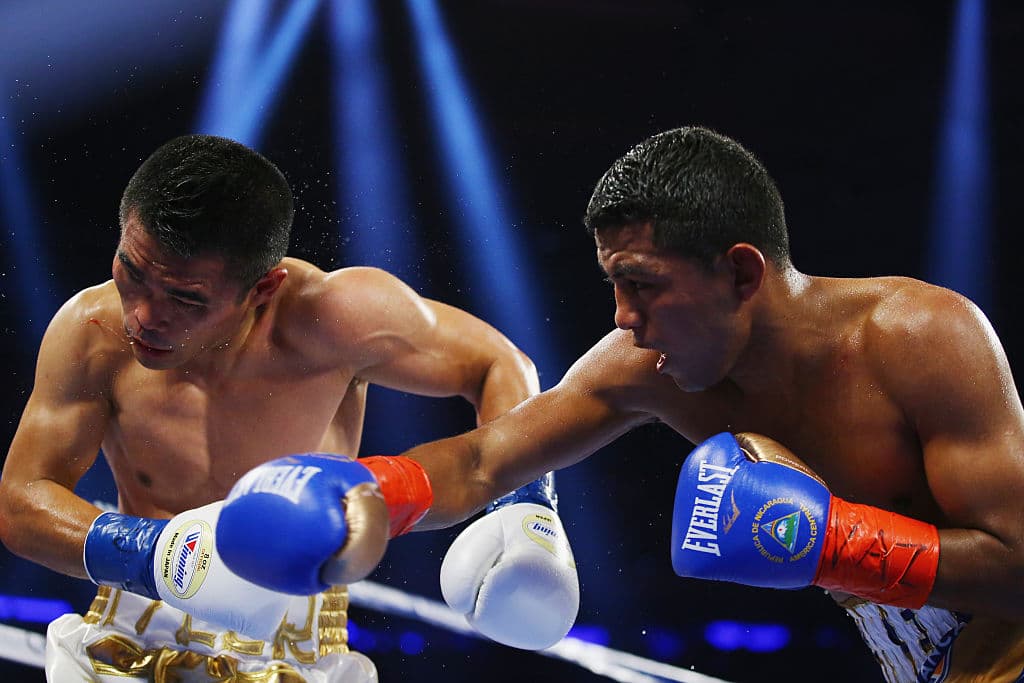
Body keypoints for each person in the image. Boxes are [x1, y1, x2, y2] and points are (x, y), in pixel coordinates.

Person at [232, 125, 1024, 681]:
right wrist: (365, 491)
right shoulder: (643, 365)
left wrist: (829, 544)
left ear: (741, 275)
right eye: (613, 283)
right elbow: (486, 456)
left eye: (642, 284)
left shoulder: (919, 336)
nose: (623, 315)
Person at [0, 134, 578, 682]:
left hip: (294, 637)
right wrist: (158, 557)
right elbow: (21, 502)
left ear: (263, 288)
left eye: (184, 298)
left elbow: (502, 364)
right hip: (136, 612)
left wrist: (526, 509)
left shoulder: (337, 318)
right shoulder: (91, 330)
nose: (144, 317)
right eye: (131, 270)